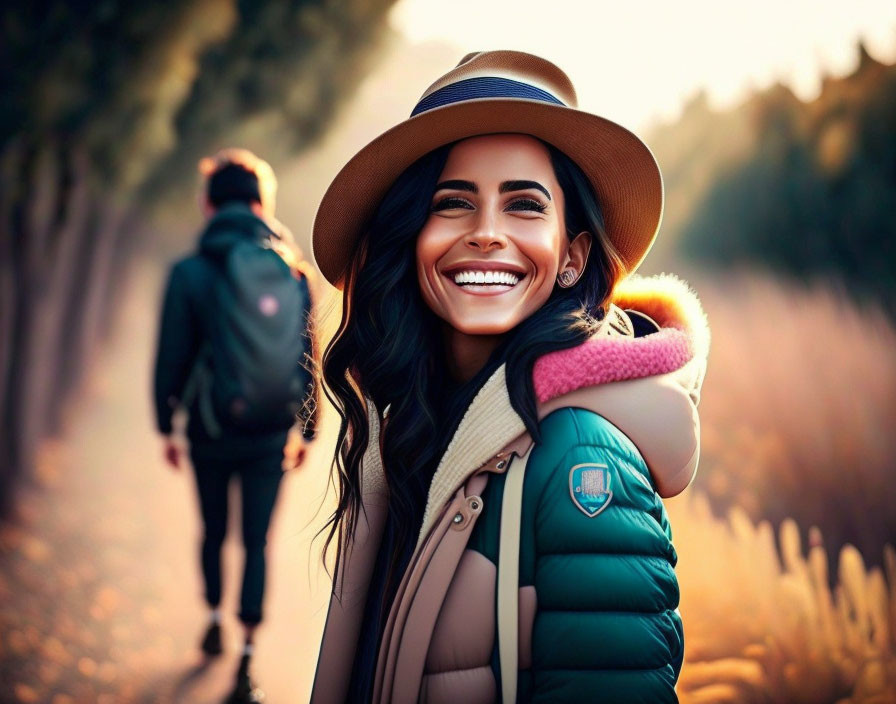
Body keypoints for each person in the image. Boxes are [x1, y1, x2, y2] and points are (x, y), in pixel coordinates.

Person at [310, 51, 709, 703]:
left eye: (524, 205)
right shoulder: (411, 427)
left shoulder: (583, 463)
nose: (487, 234)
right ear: (412, 240)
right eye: (452, 204)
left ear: (572, 256)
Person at [152, 148, 316, 704]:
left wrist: (165, 424)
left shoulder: (192, 272)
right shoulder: (292, 271)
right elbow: (306, 354)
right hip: (272, 431)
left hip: (208, 428)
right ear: (261, 204)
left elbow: (171, 354)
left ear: (207, 204)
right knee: (257, 541)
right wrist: (309, 430)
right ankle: (247, 662)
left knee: (214, 531)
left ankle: (215, 617)